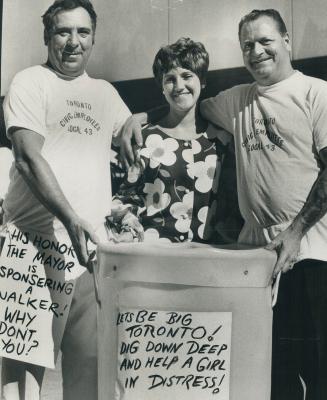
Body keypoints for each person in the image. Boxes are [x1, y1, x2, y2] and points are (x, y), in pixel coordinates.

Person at [120, 9, 327, 400]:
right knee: (271, 376)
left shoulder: (317, 93)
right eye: (247, 45)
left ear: (287, 40)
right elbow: (184, 104)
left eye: (265, 40)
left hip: (314, 252)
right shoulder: (237, 99)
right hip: (261, 259)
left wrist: (296, 233)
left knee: (318, 373)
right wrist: (139, 115)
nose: (256, 51)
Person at [1, 0, 131, 399]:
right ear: (47, 37)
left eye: (83, 32)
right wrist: (71, 218)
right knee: (21, 384)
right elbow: (26, 157)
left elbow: (133, 129)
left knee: (88, 378)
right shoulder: (30, 82)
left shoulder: (106, 93)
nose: (74, 42)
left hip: (90, 255)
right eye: (63, 32)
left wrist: (134, 123)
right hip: (32, 250)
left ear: (93, 37)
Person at [107, 38, 238, 245]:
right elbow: (125, 200)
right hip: (154, 259)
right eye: (170, 79)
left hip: (208, 261)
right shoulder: (145, 138)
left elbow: (231, 205)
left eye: (187, 76)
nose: (179, 86)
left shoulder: (222, 140)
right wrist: (130, 231)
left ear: (202, 81)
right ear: (161, 86)